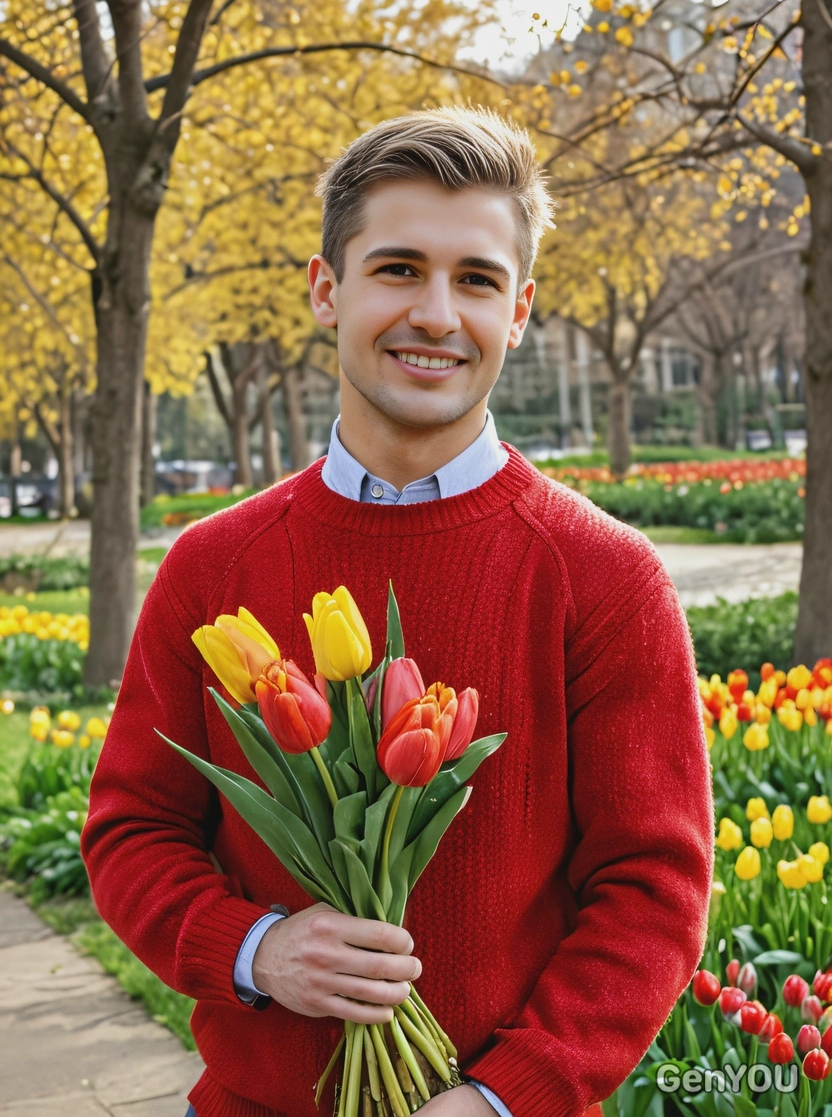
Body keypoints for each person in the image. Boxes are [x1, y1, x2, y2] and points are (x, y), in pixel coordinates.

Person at [80, 107, 714, 1117]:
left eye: (475, 280)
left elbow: (653, 888)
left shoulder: (604, 575)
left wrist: (504, 1097)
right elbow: (133, 828)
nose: (435, 313)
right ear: (326, 290)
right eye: (397, 268)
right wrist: (257, 949)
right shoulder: (212, 567)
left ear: (519, 311)